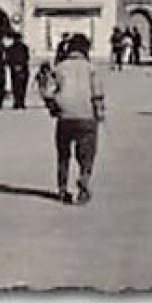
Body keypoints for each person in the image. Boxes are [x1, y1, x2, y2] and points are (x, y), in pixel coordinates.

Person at [38, 34, 106, 205]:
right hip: (86, 115)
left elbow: (47, 92)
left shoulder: (59, 68)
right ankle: (83, 181)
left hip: (65, 116)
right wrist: (100, 115)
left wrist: (53, 107)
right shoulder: (91, 69)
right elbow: (97, 94)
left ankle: (62, 188)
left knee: (63, 154)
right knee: (87, 154)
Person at [7, 30, 31, 110]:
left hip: (22, 69)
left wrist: (19, 65)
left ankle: (21, 101)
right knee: (17, 86)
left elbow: (27, 58)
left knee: (21, 86)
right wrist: (15, 65)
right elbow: (8, 59)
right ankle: (18, 101)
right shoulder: (11, 48)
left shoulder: (24, 47)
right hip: (17, 69)